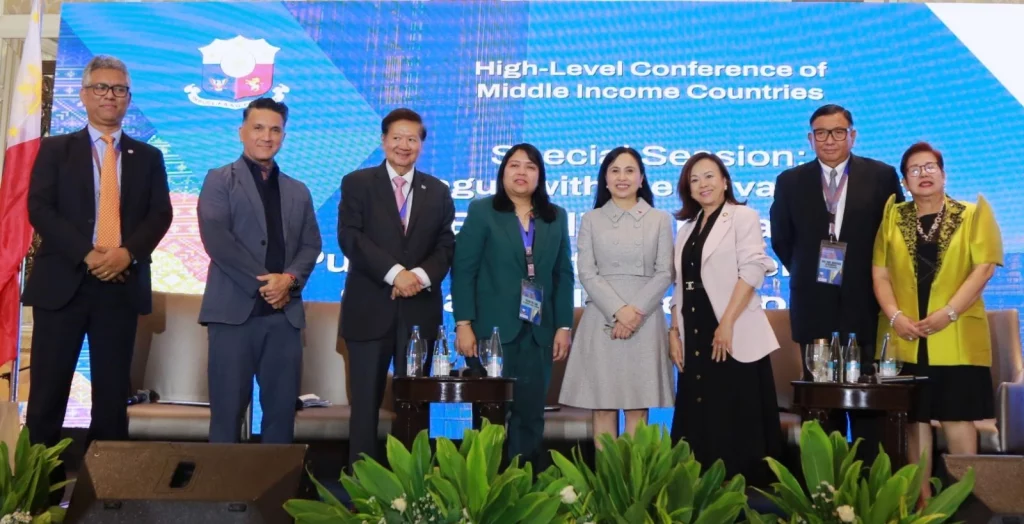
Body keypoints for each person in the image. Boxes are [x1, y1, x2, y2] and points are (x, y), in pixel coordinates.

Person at [24, 55, 172, 454]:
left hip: (120, 288)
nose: (111, 96)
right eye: (102, 88)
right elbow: (40, 208)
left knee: (111, 402)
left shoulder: (149, 157)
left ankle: (103, 502)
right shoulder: (55, 149)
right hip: (63, 287)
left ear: (128, 99)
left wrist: (127, 254)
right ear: (84, 95)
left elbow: (161, 214)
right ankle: (36, 503)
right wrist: (88, 255)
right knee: (46, 398)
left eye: (119, 89)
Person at [872, 142, 1002, 502]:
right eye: (914, 170)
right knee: (914, 420)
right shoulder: (893, 217)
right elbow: (880, 273)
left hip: (956, 332)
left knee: (957, 418)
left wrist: (949, 313)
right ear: (904, 180)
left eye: (930, 167)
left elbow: (984, 268)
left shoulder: (974, 213)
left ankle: (965, 502)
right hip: (905, 334)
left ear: (944, 174)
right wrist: (896, 317)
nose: (923, 174)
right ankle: (921, 502)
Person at [770, 104, 903, 448]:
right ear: (810, 138)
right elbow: (783, 239)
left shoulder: (881, 176)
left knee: (866, 401)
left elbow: (893, 238)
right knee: (821, 403)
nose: (830, 140)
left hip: (866, 304)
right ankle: (824, 489)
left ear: (852, 135)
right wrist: (810, 272)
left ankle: (870, 487)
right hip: (814, 305)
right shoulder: (789, 181)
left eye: (838, 131)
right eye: (821, 133)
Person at [197, 98, 322, 444]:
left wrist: (289, 281)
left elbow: (311, 245)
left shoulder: (298, 190)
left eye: (275, 129)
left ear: (283, 135)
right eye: (258, 127)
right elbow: (217, 239)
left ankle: (274, 499)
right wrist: (266, 283)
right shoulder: (219, 179)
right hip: (233, 314)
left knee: (281, 417)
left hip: (284, 317)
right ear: (242, 132)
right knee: (226, 415)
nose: (266, 136)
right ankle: (222, 497)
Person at [338, 108, 455, 465]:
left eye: (412, 139)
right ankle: (362, 494)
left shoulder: (437, 190)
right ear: (383, 140)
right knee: (364, 409)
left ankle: (413, 489)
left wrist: (416, 277)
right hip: (369, 311)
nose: (404, 145)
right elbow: (350, 237)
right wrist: (394, 274)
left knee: (415, 407)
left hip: (419, 314)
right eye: (397, 138)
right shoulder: (357, 183)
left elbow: (445, 246)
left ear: (421, 145)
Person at [451, 143, 574, 467]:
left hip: (538, 332)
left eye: (530, 167)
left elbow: (563, 274)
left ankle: (524, 488)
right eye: (514, 165)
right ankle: (485, 489)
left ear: (540, 176)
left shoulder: (555, 216)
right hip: (491, 333)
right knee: (488, 417)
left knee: (531, 414)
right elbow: (464, 269)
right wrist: (463, 324)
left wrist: (563, 326)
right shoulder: (483, 211)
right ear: (503, 172)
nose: (522, 172)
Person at [669, 152, 782, 487]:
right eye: (694, 179)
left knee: (734, 418)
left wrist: (727, 322)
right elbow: (681, 283)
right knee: (699, 416)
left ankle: (742, 498)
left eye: (709, 176)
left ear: (725, 181)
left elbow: (752, 268)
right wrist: (673, 331)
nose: (702, 184)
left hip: (732, 330)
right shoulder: (686, 229)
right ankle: (701, 499)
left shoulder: (743, 216)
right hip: (695, 329)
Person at [558, 147, 674, 447]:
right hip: (602, 318)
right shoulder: (591, 219)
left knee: (639, 407)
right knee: (603, 406)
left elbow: (665, 273)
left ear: (642, 178)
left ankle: (634, 487)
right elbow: (586, 272)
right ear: (605, 180)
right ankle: (607, 486)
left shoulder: (660, 218)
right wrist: (619, 311)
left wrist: (634, 312)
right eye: (615, 171)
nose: (622, 177)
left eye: (629, 170)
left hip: (645, 319)